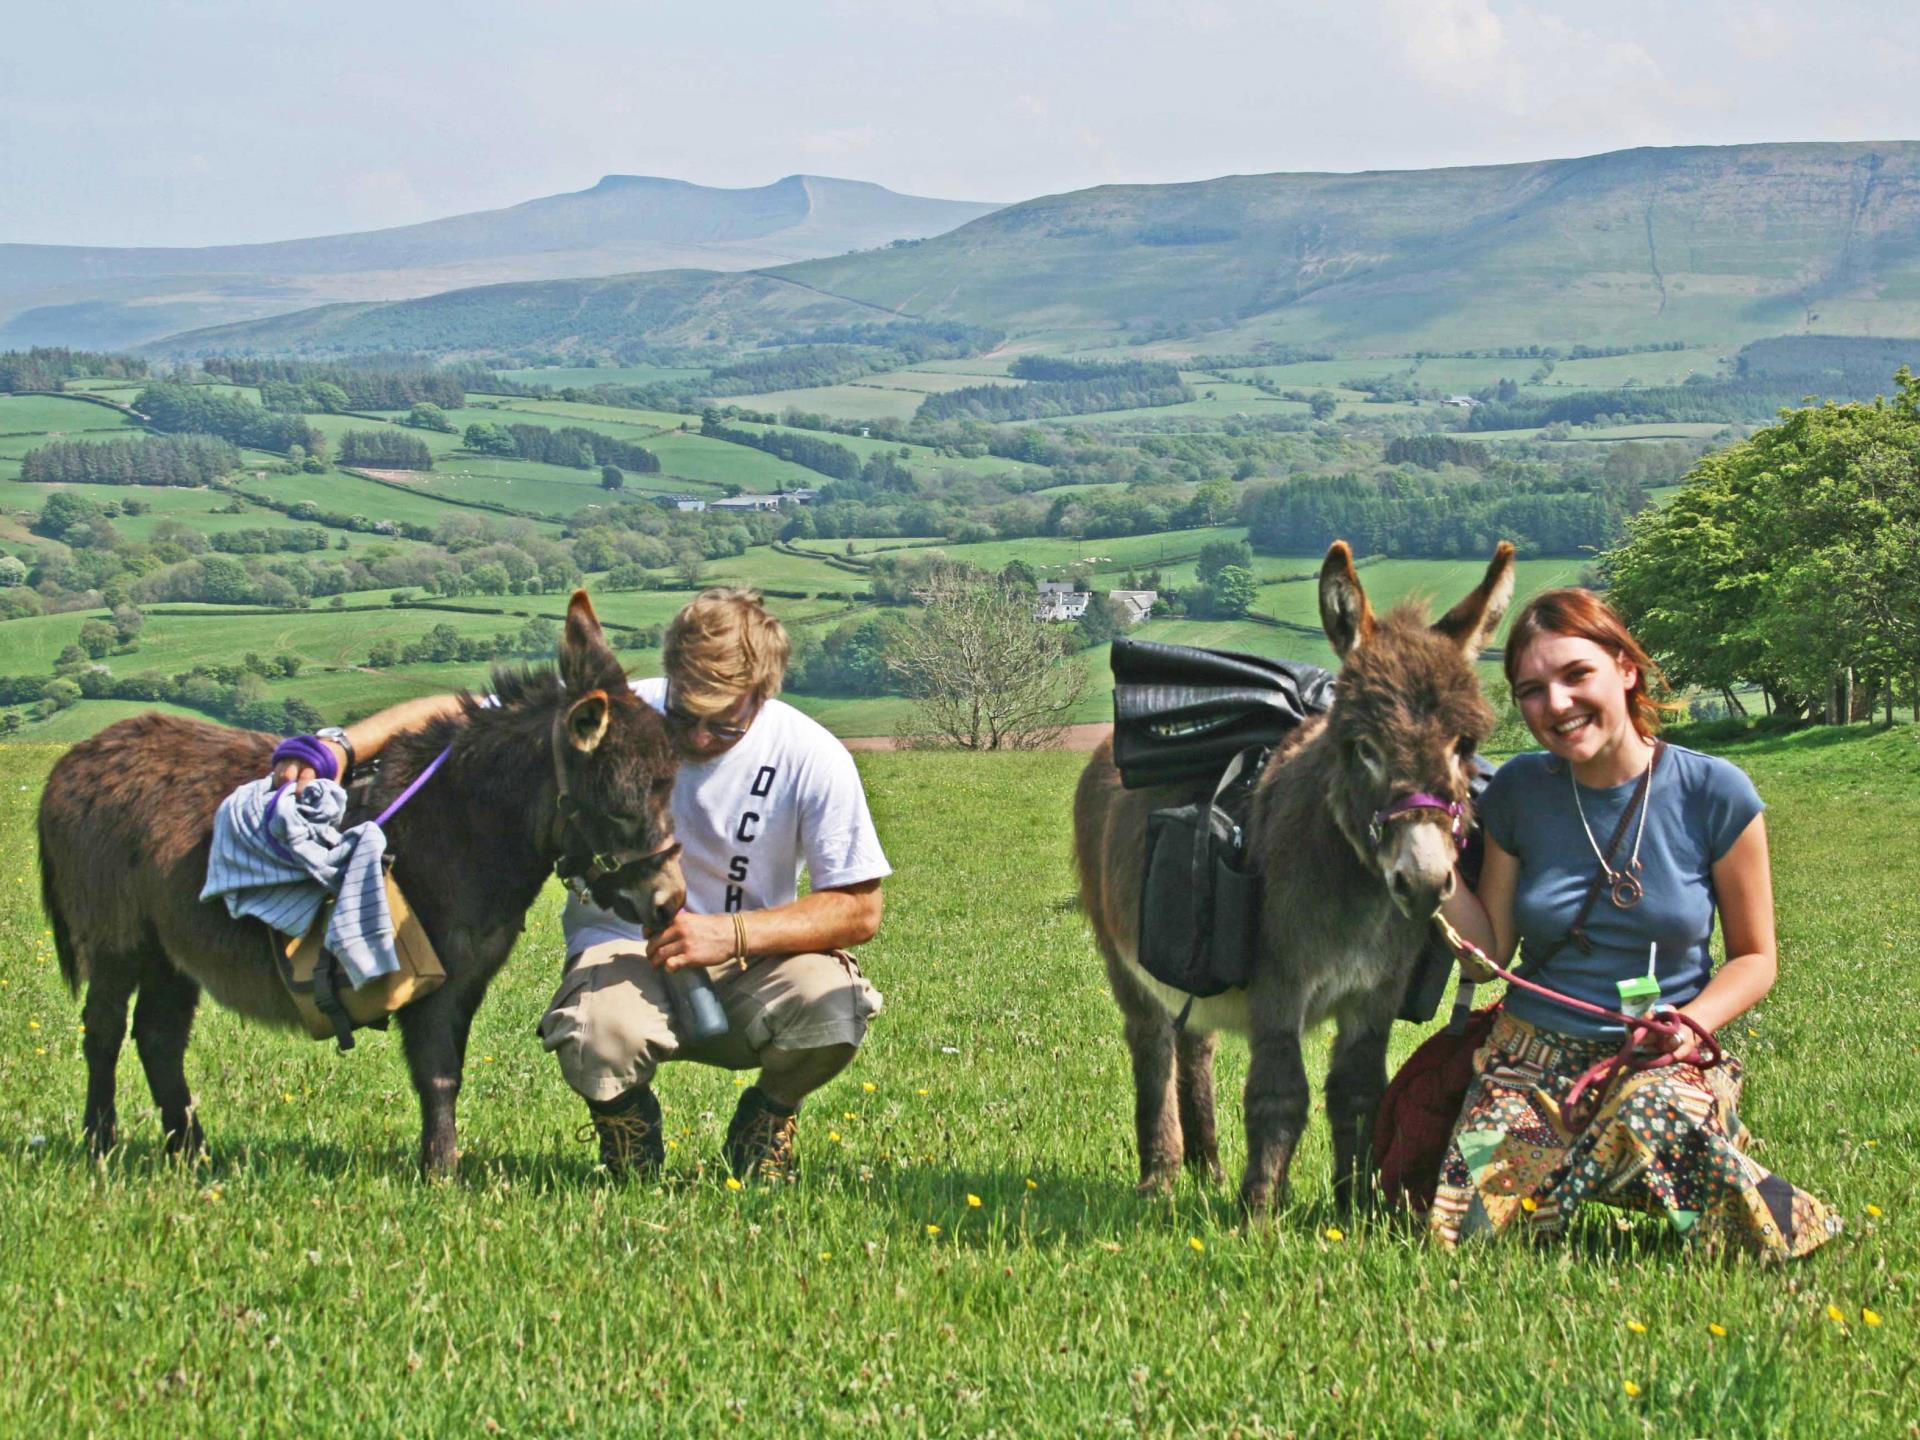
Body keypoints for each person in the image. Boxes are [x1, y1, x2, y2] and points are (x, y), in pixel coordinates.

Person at [276, 589, 888, 1182]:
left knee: (834, 1006)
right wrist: (337, 748)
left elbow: (859, 909)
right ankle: (626, 1122)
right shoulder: (623, 713)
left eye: (723, 725)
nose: (698, 738)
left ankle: (768, 1116)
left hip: (752, 955)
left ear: (763, 693)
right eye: (685, 716)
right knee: (596, 1034)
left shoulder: (812, 755)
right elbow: (459, 714)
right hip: (623, 950)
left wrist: (730, 933)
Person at [1433, 588, 1839, 1259]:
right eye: (1532, 690)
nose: (1556, 705)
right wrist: (1431, 858)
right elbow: (1489, 957)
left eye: (1575, 675)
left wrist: (1692, 1024)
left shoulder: (1717, 793)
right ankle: (1625, 1173)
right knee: (1468, 1234)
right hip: (1532, 1060)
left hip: (1656, 1055)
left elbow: (1754, 957)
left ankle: (1762, 1210)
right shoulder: (1518, 794)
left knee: (1650, 1118)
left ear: (1625, 668)